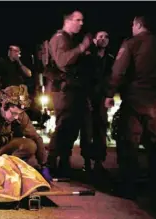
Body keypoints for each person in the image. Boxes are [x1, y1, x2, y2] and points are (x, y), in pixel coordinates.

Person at [104, 15, 156, 204]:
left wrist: (109, 93)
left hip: (135, 100)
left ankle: (128, 187)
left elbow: (118, 70)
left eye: (133, 25)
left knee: (129, 143)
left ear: (138, 25)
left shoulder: (131, 43)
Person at [44, 10, 93, 177]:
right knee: (63, 127)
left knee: (71, 129)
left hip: (73, 90)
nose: (81, 23)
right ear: (68, 20)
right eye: (78, 20)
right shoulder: (59, 38)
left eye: (82, 20)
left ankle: (64, 164)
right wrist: (81, 48)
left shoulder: (70, 39)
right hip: (63, 91)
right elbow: (63, 61)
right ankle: (49, 164)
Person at [80, 31, 114, 174]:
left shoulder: (111, 59)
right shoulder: (87, 58)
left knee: (100, 129)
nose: (103, 39)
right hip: (87, 97)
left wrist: (109, 95)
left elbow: (113, 79)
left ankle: (99, 162)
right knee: (87, 130)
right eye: (100, 37)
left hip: (102, 99)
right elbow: (82, 78)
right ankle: (87, 162)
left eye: (106, 37)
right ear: (94, 40)